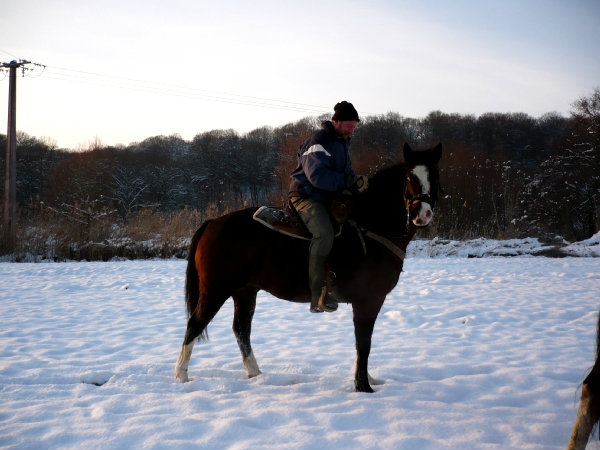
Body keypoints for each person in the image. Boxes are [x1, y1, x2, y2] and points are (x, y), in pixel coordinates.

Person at [288, 101, 368, 313]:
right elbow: (317, 177)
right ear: (336, 122)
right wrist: (348, 181)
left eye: (355, 126)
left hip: (326, 197)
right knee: (324, 233)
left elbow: (346, 175)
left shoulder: (343, 143)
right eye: (349, 125)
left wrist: (357, 185)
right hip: (306, 196)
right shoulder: (319, 140)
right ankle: (317, 296)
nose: (352, 129)